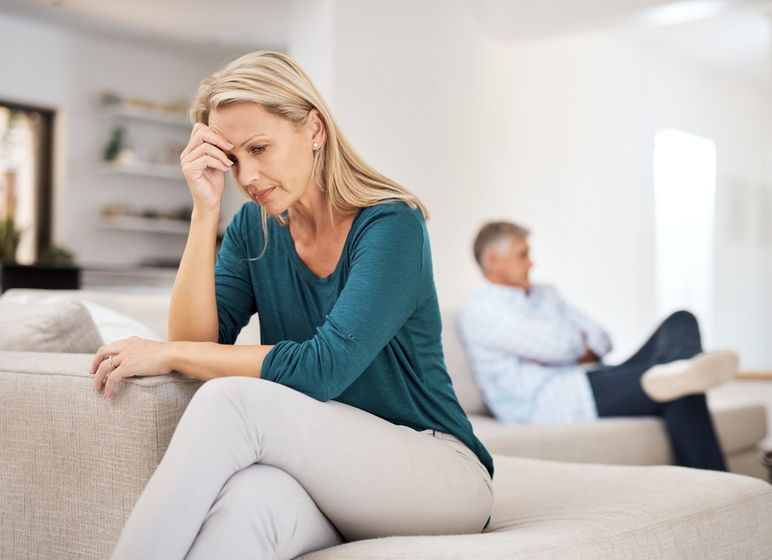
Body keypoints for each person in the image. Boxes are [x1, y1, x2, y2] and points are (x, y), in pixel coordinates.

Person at [89, 51, 493, 560]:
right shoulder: (250, 230)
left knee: (228, 400)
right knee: (248, 502)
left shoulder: (391, 225)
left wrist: (166, 354)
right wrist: (204, 212)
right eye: (235, 159)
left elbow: (323, 369)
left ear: (315, 129)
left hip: (440, 473)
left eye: (260, 147)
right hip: (333, 470)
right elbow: (197, 344)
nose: (249, 176)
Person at [459, 221, 736, 471]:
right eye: (523, 255)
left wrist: (568, 346)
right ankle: (679, 370)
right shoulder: (482, 310)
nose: (531, 263)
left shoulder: (546, 293)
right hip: (556, 401)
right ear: (493, 261)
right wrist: (573, 341)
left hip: (591, 376)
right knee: (679, 389)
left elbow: (602, 337)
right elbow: (559, 346)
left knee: (681, 319)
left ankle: (680, 365)